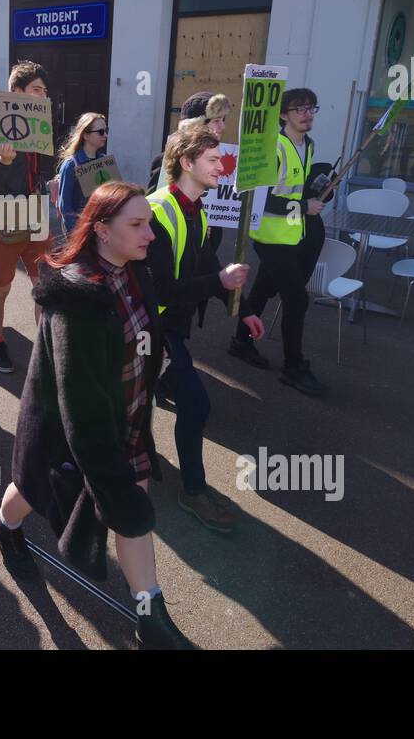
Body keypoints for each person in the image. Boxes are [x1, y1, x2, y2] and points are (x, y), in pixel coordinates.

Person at [0, 181, 196, 648]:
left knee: (132, 515)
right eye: (138, 225)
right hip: (72, 433)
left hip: (128, 422)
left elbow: (148, 329)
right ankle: (6, 528)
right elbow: (78, 401)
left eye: (150, 224)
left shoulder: (133, 270)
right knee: (30, 488)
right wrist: (108, 471)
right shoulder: (76, 298)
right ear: (102, 229)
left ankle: (151, 618)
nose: (151, 235)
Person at [146, 123, 263, 531]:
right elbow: (161, 287)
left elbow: (205, 264)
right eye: (213, 160)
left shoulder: (194, 207)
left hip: (169, 327)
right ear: (186, 162)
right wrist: (220, 283)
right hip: (150, 328)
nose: (222, 167)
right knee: (195, 403)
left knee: (147, 399)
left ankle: (141, 451)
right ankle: (193, 490)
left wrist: (242, 308)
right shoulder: (159, 210)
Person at [229, 87, 327, 396]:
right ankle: (293, 367)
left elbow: (297, 189)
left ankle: (241, 342)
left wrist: (318, 190)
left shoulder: (307, 145)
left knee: (262, 291)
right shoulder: (274, 148)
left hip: (293, 235)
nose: (307, 113)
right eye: (300, 109)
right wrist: (302, 206)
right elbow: (260, 198)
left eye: (312, 107)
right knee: (297, 299)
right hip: (271, 238)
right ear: (283, 115)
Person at [0, 61, 60, 374]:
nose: (42, 96)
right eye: (36, 90)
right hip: (2, 222)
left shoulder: (41, 130)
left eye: (44, 91)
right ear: (17, 92)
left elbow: (45, 168)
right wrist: (3, 161)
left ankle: (43, 344)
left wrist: (50, 180)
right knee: (1, 287)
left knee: (44, 285)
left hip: (35, 217)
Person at [148, 92, 231, 191]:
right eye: (216, 121)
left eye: (223, 120)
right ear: (196, 126)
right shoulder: (169, 160)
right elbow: (153, 203)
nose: (222, 127)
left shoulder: (219, 159)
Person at [55, 111, 110, 234]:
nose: (105, 135)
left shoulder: (104, 161)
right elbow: (65, 207)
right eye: (101, 132)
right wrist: (77, 233)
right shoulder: (70, 165)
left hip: (100, 231)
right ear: (85, 135)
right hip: (80, 231)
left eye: (106, 131)